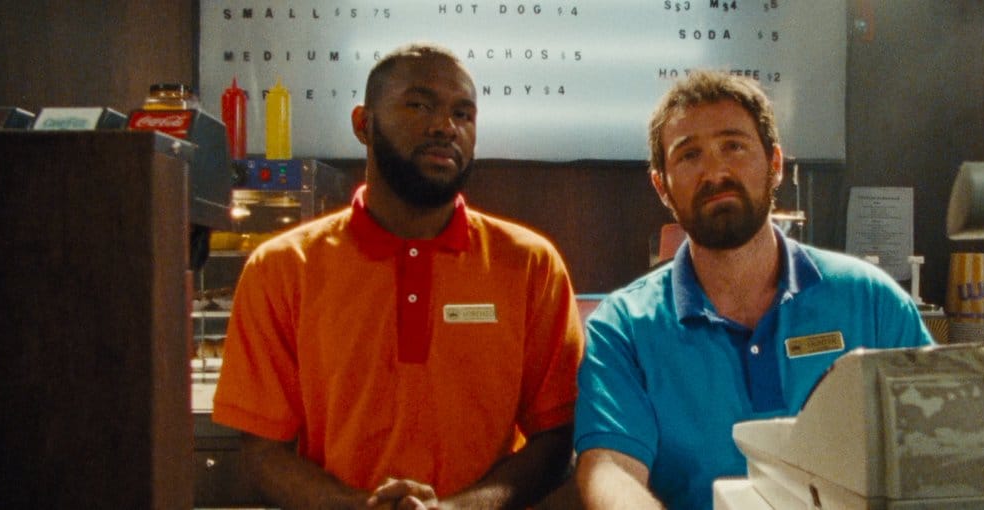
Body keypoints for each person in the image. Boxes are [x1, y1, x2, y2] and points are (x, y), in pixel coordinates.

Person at [212, 43, 584, 510]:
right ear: (363, 124)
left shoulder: (531, 265)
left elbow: (555, 440)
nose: (445, 126)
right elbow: (261, 451)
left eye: (463, 114)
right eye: (419, 104)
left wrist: (457, 509)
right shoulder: (281, 268)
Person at [573, 70, 934, 510]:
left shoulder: (871, 301)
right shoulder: (623, 328)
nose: (715, 171)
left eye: (734, 146)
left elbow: (943, 444)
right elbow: (609, 471)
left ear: (775, 163)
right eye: (689, 156)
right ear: (661, 186)